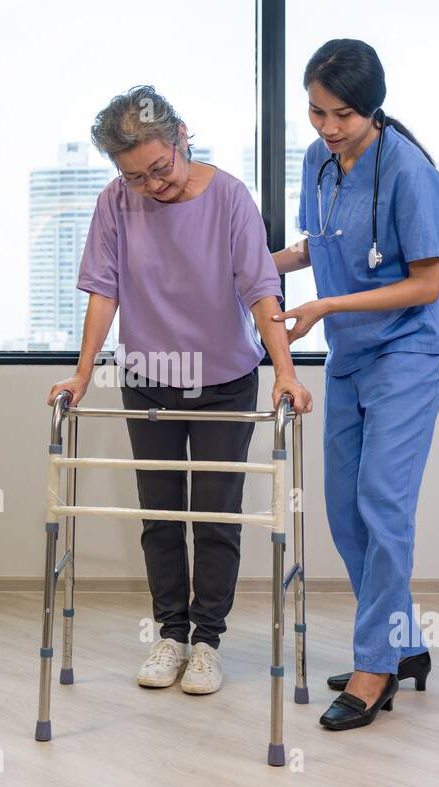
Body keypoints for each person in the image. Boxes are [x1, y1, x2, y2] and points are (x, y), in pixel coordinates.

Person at [49, 85, 312, 696]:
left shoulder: (230, 199)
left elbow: (260, 290)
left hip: (225, 380)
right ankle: (170, 635)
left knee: (215, 517)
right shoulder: (116, 203)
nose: (152, 186)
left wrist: (286, 373)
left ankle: (207, 643)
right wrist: (84, 373)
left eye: (159, 169)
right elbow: (103, 289)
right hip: (148, 383)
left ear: (182, 136)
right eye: (136, 177)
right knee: (161, 516)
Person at [269, 40, 439, 730]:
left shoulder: (409, 172)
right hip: (350, 353)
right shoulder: (317, 162)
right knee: (345, 509)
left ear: (372, 107)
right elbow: (316, 246)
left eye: (341, 114)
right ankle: (401, 645)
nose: (326, 127)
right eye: (316, 111)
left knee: (383, 504)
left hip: (410, 353)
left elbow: (424, 282)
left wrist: (323, 307)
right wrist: (261, 269)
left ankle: (376, 665)